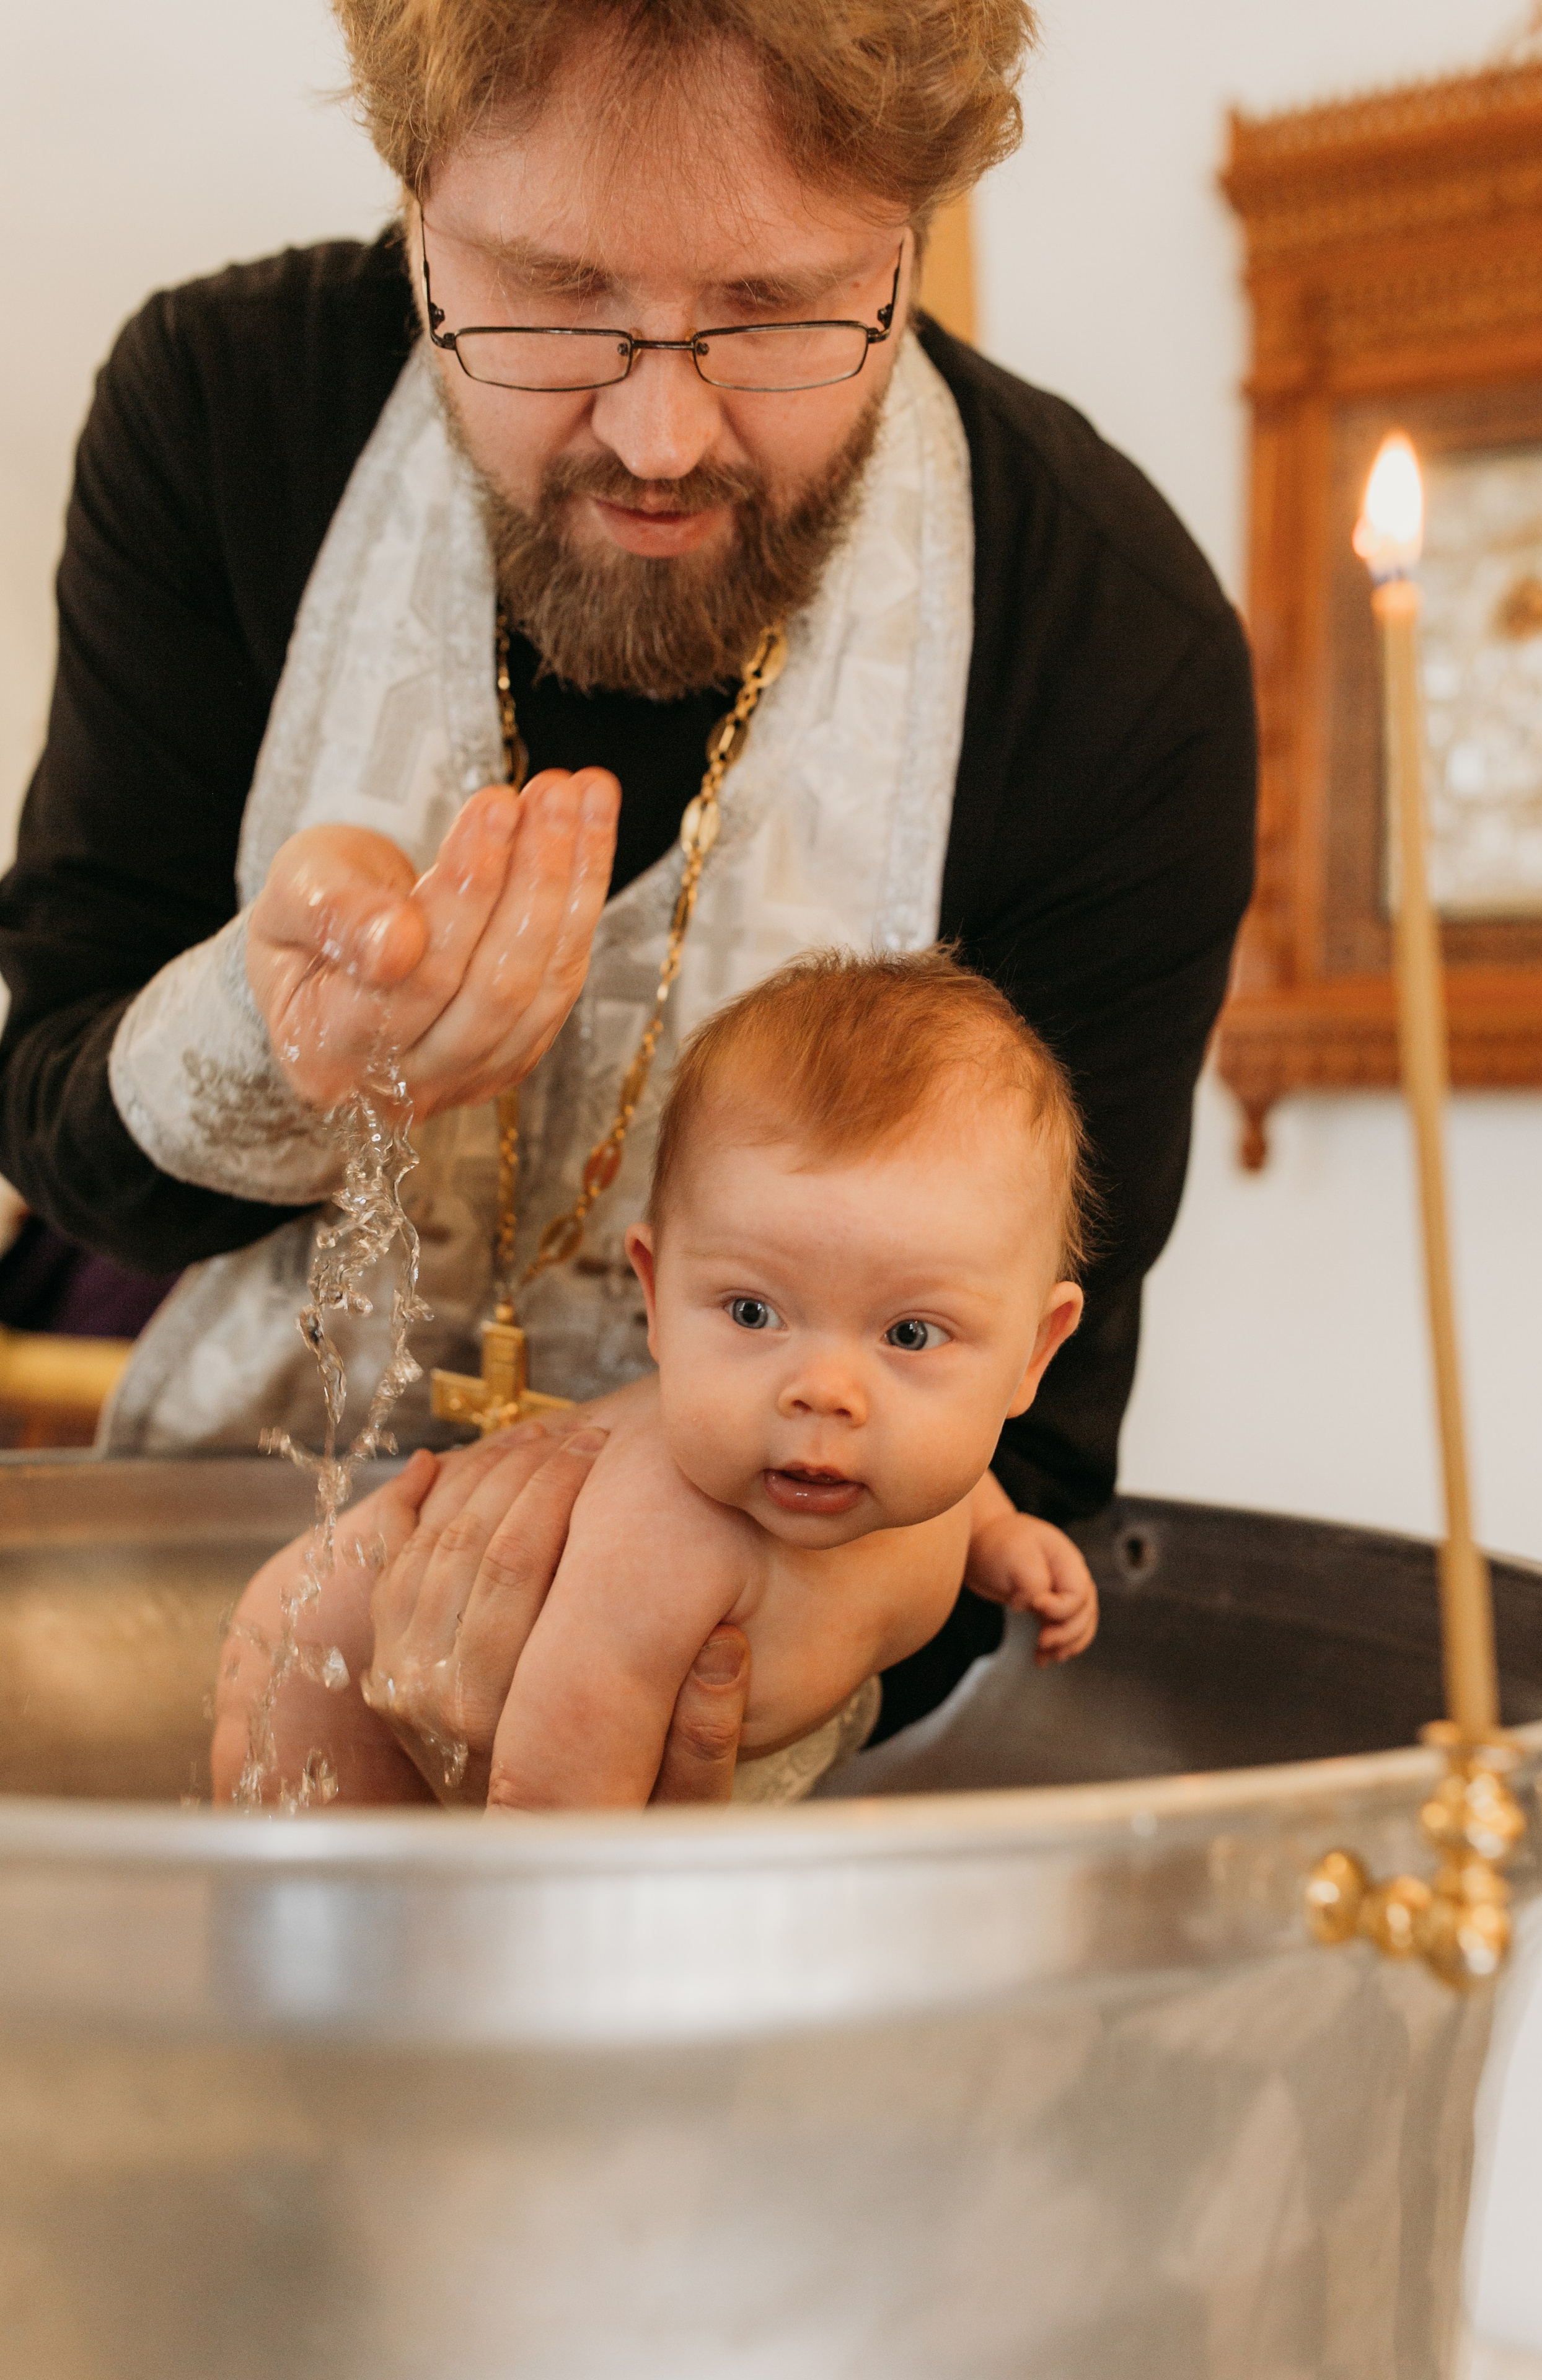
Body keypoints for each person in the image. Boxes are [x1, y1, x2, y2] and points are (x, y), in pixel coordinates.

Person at [0, 0, 1256, 1768]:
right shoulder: (221, 417)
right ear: (414, 195)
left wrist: (662, 1615)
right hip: (199, 1638)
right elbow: (57, 1130)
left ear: (911, 226)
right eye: (549, 295)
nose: (661, 437)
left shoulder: (1112, 642)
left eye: (777, 310)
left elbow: (1020, 1442)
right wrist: (271, 1056)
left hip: (750, 1747)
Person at [213, 950, 1099, 1807]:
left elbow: (961, 1487)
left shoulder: (903, 1463)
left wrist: (999, 1538)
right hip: (329, 1658)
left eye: (910, 1333)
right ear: (656, 1289)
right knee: (339, 1918)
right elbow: (548, 1822)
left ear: (1032, 1354)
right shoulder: (666, 1550)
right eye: (753, 1313)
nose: (825, 1391)